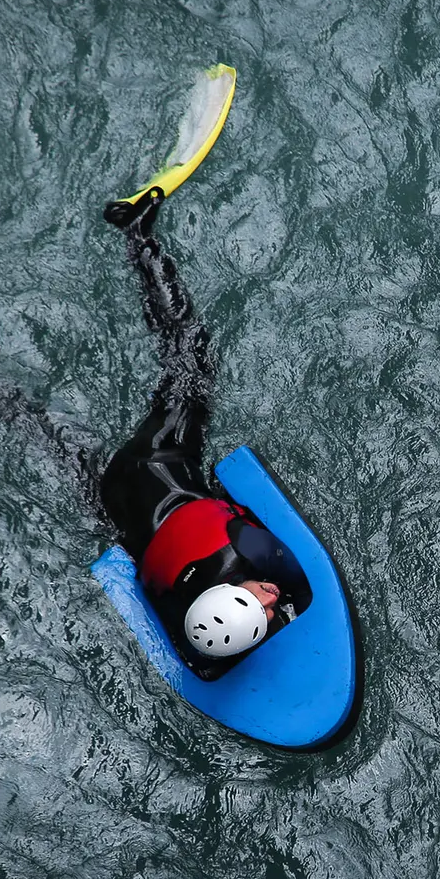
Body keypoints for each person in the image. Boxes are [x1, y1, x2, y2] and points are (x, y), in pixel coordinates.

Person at [99, 188, 311, 678]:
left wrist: (280, 615)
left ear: (229, 590)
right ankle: (137, 234)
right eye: (266, 610)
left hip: (160, 459)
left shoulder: (246, 549)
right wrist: (278, 615)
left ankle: (138, 234)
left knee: (191, 358)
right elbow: (205, 657)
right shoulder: (188, 617)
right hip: (114, 502)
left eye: (257, 598)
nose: (271, 595)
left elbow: (299, 592)